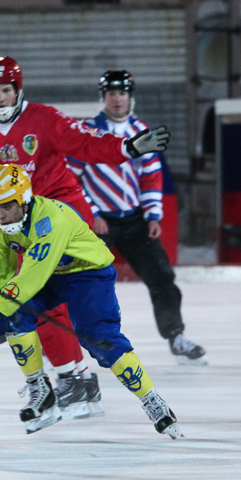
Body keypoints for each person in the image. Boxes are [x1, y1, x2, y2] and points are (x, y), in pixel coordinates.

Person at [0, 56, 170, 419]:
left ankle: (76, 375)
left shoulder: (43, 119)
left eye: (7, 90)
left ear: (18, 90)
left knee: (35, 293)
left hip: (59, 214)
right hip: (18, 218)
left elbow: (85, 142)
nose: (1, 98)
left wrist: (127, 149)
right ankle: (74, 376)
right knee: (36, 301)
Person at [0, 163, 182, 438]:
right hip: (52, 276)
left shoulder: (50, 221)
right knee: (13, 317)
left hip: (88, 275)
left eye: (5, 207)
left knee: (100, 340)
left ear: (23, 200)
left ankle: (151, 400)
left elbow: (28, 280)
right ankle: (41, 391)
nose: (0, 215)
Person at [67, 70, 205, 365]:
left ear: (131, 96)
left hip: (134, 220)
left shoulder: (142, 130)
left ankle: (176, 335)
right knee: (85, 280)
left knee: (162, 277)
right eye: (112, 93)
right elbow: (71, 180)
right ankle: (80, 341)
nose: (117, 99)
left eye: (122, 93)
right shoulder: (88, 131)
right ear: (103, 97)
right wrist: (91, 213)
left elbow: (151, 176)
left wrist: (153, 216)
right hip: (98, 223)